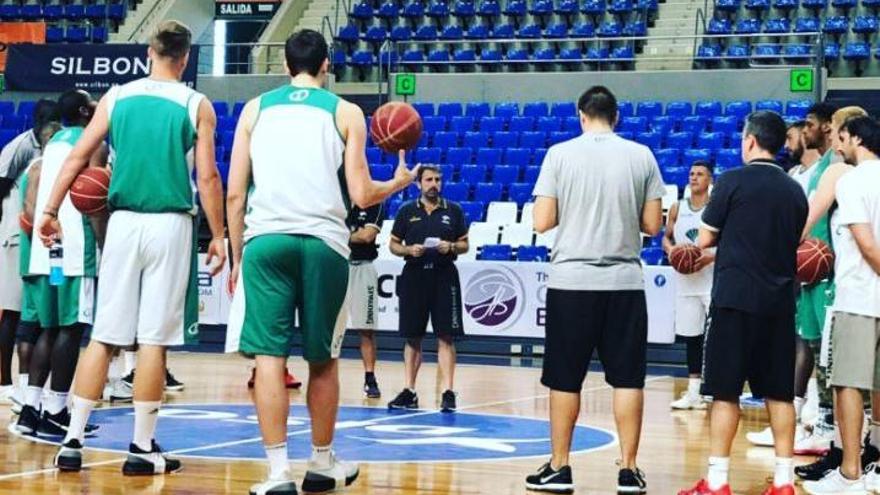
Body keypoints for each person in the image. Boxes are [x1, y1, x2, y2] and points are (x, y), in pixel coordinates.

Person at [225, 29, 415, 495]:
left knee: (270, 357)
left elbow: (233, 193)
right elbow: (361, 194)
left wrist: (235, 254)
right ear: (326, 65)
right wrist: (398, 182)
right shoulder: (346, 112)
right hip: (325, 244)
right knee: (323, 360)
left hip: (266, 240)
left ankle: (276, 474)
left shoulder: (255, 109)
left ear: (285, 66)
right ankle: (322, 462)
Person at [37, 20, 226, 475]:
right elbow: (207, 177)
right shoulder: (196, 103)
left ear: (148, 52)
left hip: (121, 223)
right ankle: (141, 447)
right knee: (153, 340)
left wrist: (49, 210)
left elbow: (80, 155)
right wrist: (219, 235)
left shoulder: (115, 97)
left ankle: (72, 441)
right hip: (169, 224)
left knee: (103, 335)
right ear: (184, 59)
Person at [524, 86, 665, 494]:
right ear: (616, 117)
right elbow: (653, 225)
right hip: (623, 282)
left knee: (565, 379)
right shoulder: (641, 155)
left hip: (572, 282)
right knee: (627, 379)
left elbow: (542, 220)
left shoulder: (560, 154)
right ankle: (629, 470)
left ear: (580, 115)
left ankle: (560, 466)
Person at [679, 110, 808, 495]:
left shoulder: (732, 181)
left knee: (725, 392)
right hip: (780, 303)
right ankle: (784, 481)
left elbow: (703, 240)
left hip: (735, 300)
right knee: (780, 394)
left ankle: (717, 481)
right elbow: (794, 242)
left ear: (750, 141)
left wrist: (693, 250)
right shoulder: (794, 189)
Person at [14, 90, 105, 437]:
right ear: (84, 111)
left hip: (45, 246)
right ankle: (55, 410)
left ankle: (30, 410)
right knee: (71, 328)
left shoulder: (49, 147)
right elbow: (94, 201)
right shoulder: (92, 142)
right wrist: (104, 246)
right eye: (92, 102)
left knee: (48, 328)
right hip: (74, 247)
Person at [795, 106, 878, 483]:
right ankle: (873, 457)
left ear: (854, 137)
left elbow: (866, 244)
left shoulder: (848, 179)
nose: (834, 141)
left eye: (840, 136)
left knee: (845, 381)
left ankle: (848, 469)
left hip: (855, 294)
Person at [387, 165, 468, 413]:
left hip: (444, 276)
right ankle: (410, 390)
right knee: (413, 337)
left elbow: (465, 245)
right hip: (414, 277)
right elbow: (393, 245)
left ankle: (448, 391)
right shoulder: (406, 210)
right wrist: (408, 250)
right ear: (419, 183)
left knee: (446, 335)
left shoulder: (453, 210)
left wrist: (451, 246)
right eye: (429, 180)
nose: (434, 184)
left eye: (438, 180)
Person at [0, 100, 61, 406]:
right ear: (36, 122)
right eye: (46, 120)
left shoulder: (55, 148)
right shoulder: (20, 147)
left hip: (40, 239)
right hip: (14, 235)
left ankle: (30, 387)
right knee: (11, 311)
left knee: (35, 314)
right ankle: (4, 382)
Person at [665, 160, 714, 411]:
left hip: (711, 281)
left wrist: (711, 257)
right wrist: (673, 251)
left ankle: (715, 390)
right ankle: (694, 392)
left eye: (700, 174)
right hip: (686, 282)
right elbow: (666, 236)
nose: (694, 178)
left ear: (710, 180)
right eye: (691, 174)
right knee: (692, 338)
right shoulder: (677, 207)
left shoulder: (715, 208)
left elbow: (727, 239)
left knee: (717, 338)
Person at [347, 202, 384, 398]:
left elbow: (367, 235)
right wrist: (355, 234)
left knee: (366, 329)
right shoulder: (336, 199)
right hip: (336, 265)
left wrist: (342, 234)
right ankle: (322, 376)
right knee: (326, 327)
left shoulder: (374, 204)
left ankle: (370, 377)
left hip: (364, 267)